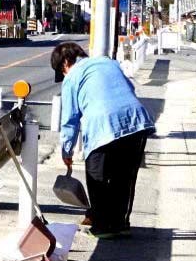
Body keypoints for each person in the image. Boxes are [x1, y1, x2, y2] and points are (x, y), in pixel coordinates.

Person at [51, 42, 155, 238]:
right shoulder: (110, 63)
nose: (63, 75)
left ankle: (103, 225)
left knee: (96, 175)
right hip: (136, 121)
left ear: (66, 62)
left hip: (103, 125)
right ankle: (120, 224)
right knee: (124, 177)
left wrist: (66, 151)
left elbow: (70, 120)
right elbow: (129, 88)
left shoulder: (72, 77)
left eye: (61, 71)